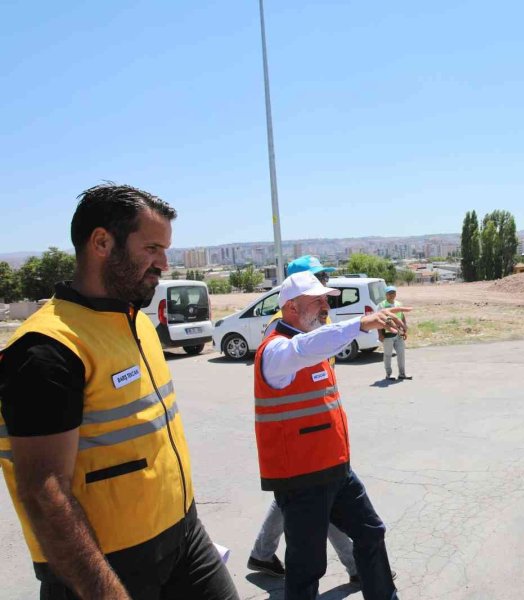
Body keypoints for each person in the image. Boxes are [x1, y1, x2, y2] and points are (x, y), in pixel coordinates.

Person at [0, 184, 239, 599]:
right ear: (101, 242)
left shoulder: (137, 321)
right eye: (151, 248)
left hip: (184, 538)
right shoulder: (46, 349)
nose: (164, 263)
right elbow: (43, 493)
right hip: (106, 567)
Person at [253, 271, 406, 599]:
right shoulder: (277, 350)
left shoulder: (313, 341)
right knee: (307, 566)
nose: (327, 305)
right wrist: (361, 324)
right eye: (318, 300)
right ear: (291, 307)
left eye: (327, 299)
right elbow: (302, 348)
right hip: (302, 478)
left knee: (371, 533)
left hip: (336, 470)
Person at [249, 255, 359, 582]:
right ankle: (357, 565)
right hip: (303, 449)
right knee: (320, 509)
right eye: (319, 280)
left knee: (293, 502)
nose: (325, 289)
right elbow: (296, 358)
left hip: (318, 444)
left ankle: (262, 553)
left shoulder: (313, 317)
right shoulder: (283, 332)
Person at [378, 286, 410, 381]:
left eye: (393, 293)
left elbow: (402, 316)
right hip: (387, 334)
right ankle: (388, 374)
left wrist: (404, 329)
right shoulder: (381, 305)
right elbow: (378, 320)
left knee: (401, 354)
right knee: (388, 355)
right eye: (389, 293)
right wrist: (380, 334)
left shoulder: (398, 304)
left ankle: (402, 374)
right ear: (386, 294)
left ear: (395, 294)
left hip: (399, 333)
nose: (392, 295)